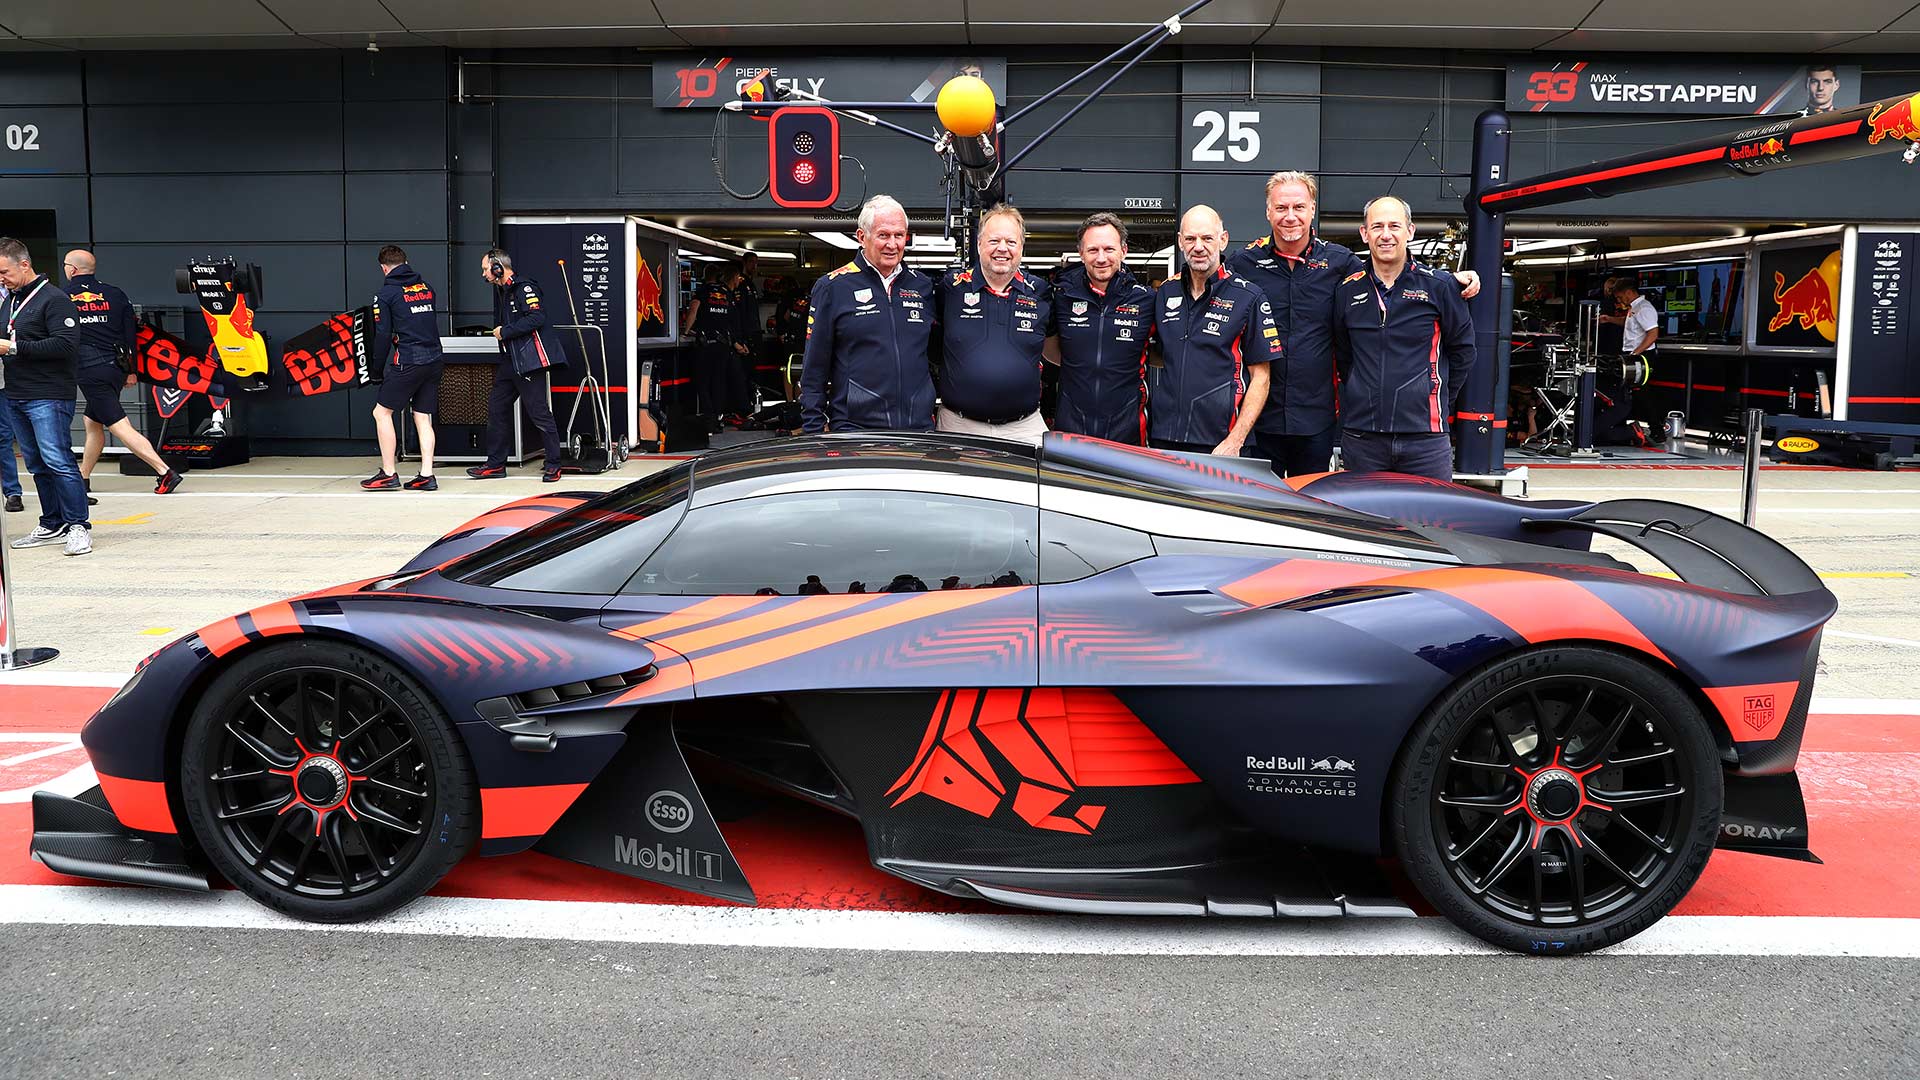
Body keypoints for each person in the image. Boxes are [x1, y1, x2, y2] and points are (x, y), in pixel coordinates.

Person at [1227, 171, 1480, 477]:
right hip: (1258, 418)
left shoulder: (1340, 263)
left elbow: (1389, 267)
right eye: (1281, 208)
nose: (1290, 216)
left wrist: (1451, 280)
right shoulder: (1243, 263)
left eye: (1299, 207)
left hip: (1316, 420)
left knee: (1311, 512)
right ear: (1268, 211)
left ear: (1312, 210)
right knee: (1260, 512)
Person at [1332, 197, 1475, 481]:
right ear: (1364, 233)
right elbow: (1343, 355)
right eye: (1377, 227)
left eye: (1394, 226)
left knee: (1432, 522)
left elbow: (1463, 352)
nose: (1386, 235)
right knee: (1362, 524)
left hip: (1425, 441)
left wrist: (1434, 394)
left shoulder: (1439, 286)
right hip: (1363, 438)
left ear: (1410, 231)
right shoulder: (1346, 291)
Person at [1146, 205, 1280, 456]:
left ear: (1223, 240)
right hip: (1164, 439)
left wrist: (1236, 440)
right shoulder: (1165, 292)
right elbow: (1159, 354)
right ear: (1180, 242)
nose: (1198, 246)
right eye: (1190, 238)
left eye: (1207, 238)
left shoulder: (1248, 296)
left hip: (1221, 444)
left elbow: (1262, 378)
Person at [799, 194, 937, 434]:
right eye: (883, 235)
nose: (892, 244)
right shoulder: (832, 287)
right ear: (862, 237)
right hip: (855, 429)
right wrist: (814, 428)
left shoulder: (922, 286)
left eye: (899, 235)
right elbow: (814, 367)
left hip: (919, 428)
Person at [63, 251, 183, 502]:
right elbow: (131, 335)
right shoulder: (116, 294)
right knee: (92, 422)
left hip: (89, 370)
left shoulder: (62, 296)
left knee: (119, 425)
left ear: (72, 269)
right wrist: (131, 370)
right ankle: (83, 477)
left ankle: (164, 472)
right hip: (116, 367)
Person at [933, 203, 1053, 446]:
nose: (1002, 249)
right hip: (959, 426)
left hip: (1025, 427)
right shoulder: (950, 289)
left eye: (1011, 242)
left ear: (1021, 247)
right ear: (979, 245)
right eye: (994, 240)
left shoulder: (1041, 292)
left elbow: (1055, 348)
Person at [0, 237, 90, 554]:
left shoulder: (55, 299)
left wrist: (13, 347)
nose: (2, 279)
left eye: (4, 271)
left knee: (58, 460)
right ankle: (52, 523)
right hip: (16, 393)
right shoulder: (10, 301)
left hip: (49, 394)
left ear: (24, 264)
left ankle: (79, 526)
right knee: (37, 464)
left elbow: (65, 345)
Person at [1043, 211, 1154, 444]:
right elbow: (1050, 347)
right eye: (1093, 250)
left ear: (1124, 251)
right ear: (1081, 253)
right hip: (1071, 428)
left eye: (1109, 249)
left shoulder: (1147, 300)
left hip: (1128, 429)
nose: (1101, 258)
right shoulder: (1061, 296)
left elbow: (1163, 352)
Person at [468, 249, 564, 483]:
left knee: (539, 413)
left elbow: (536, 318)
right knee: (496, 408)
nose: (484, 274)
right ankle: (495, 465)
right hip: (509, 362)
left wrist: (505, 332)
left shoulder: (524, 288)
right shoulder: (503, 291)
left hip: (529, 362)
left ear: (498, 267)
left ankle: (554, 464)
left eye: (485, 269)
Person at [361, 245, 444, 491]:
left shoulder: (385, 295)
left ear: (383, 268)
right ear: (406, 262)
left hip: (409, 359)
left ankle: (388, 473)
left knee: (382, 413)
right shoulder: (427, 288)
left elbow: (384, 334)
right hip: (435, 358)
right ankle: (427, 475)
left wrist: (376, 370)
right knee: (422, 416)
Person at [684, 263, 751, 430]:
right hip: (723, 345)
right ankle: (718, 418)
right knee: (719, 383)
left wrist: (686, 330)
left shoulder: (703, 290)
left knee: (703, 382)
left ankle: (709, 419)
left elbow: (693, 310)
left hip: (706, 343)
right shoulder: (727, 294)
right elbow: (731, 322)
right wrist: (736, 343)